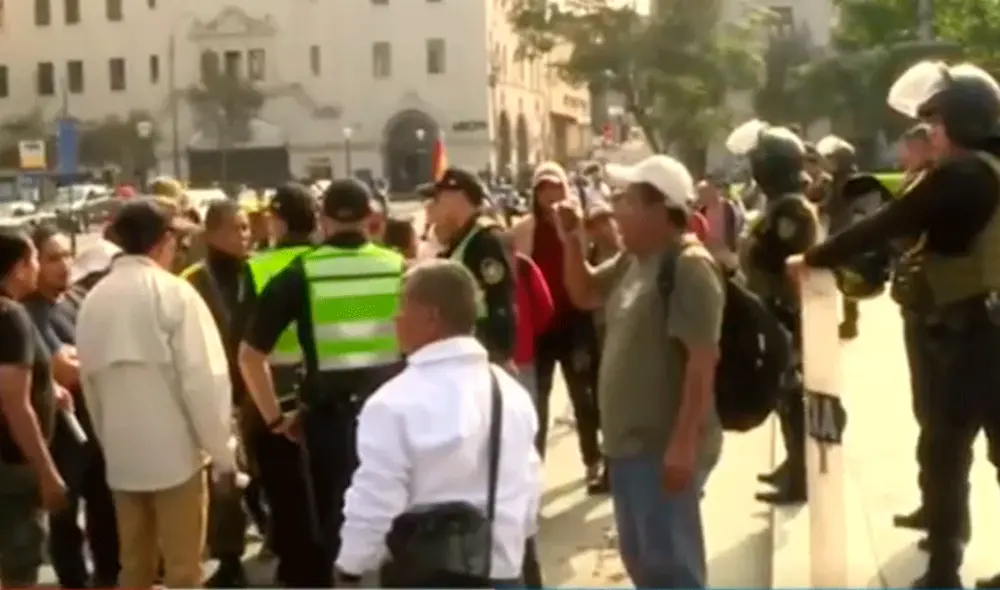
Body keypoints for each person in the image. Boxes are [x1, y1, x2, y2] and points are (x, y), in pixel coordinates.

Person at [787, 60, 1000, 588]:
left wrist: (815, 256)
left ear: (957, 124)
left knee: (945, 452)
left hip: (966, 335)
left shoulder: (963, 174)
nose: (931, 132)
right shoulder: (990, 169)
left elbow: (890, 222)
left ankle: (944, 571)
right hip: (987, 328)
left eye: (936, 122)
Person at [557, 154, 724, 588]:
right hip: (627, 447)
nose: (615, 211)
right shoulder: (633, 260)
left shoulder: (687, 266)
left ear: (658, 209)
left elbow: (702, 362)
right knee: (642, 561)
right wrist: (573, 240)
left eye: (626, 201)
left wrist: (684, 443)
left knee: (671, 566)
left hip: (660, 445)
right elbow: (584, 292)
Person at [334, 260, 542, 588]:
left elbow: (375, 497)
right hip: (503, 572)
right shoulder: (509, 391)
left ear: (431, 317)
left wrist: (351, 567)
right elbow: (528, 487)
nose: (395, 318)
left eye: (402, 307)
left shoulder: (392, 403)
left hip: (429, 576)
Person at [238, 178, 405, 583]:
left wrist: (277, 419)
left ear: (323, 221)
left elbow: (249, 356)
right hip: (396, 418)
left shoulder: (302, 272)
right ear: (371, 218)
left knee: (338, 528)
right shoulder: (398, 268)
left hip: (329, 423)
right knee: (396, 525)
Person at [76, 201, 237, 589]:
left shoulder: (94, 301)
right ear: (163, 241)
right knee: (183, 569)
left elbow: (90, 386)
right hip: (177, 456)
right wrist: (223, 454)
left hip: (122, 457)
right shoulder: (175, 294)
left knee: (134, 568)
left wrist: (109, 442)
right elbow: (205, 380)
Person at [726, 119, 819, 505]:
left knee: (794, 395)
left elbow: (776, 256)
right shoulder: (777, 206)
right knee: (784, 395)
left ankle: (802, 474)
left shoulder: (792, 210)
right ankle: (792, 462)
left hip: (788, 312)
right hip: (771, 311)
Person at [242, 182, 328, 587]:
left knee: (286, 497)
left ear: (277, 220)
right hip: (325, 393)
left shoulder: (259, 266)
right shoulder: (326, 263)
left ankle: (297, 573)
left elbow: (242, 342)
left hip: (273, 396)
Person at [23, 226, 119, 588]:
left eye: (67, 256)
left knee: (106, 509)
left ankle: (109, 578)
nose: (63, 265)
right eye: (51, 259)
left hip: (97, 423)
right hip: (59, 435)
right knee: (65, 520)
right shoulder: (25, 313)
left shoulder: (81, 299)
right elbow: (59, 369)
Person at [510, 162, 603, 491]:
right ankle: (533, 471)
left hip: (575, 322)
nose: (551, 196)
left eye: (557, 188)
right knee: (537, 401)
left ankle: (593, 460)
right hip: (540, 328)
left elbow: (593, 265)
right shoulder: (523, 229)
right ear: (535, 194)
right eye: (544, 189)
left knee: (584, 397)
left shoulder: (578, 226)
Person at [179, 200, 253, 587]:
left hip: (258, 389)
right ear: (211, 235)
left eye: (246, 227)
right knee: (227, 480)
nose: (244, 235)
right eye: (235, 228)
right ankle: (230, 557)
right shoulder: (192, 281)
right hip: (218, 393)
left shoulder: (257, 272)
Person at [0, 228, 67, 588]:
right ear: (20, 267)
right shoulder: (10, 317)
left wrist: (49, 388)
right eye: (36, 258)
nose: (39, 266)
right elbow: (15, 404)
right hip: (13, 464)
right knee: (19, 568)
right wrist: (46, 472)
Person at [433, 168, 517, 364]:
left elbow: (500, 300)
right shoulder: (462, 238)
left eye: (439, 198)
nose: (434, 205)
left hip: (481, 344)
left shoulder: (485, 240)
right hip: (461, 342)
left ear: (458, 197)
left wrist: (499, 353)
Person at [816, 133, 862, 339]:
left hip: (843, 233)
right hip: (847, 234)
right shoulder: (847, 180)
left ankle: (849, 322)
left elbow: (833, 207)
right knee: (846, 280)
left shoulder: (843, 182)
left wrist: (820, 207)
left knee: (842, 279)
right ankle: (850, 321)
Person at [499, 231, 554, 403]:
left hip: (494, 357)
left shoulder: (481, 267)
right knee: (526, 409)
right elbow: (546, 307)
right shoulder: (523, 265)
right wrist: (529, 331)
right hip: (523, 356)